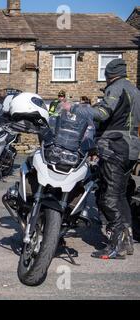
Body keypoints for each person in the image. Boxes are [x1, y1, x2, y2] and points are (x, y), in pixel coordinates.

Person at [63, 58, 140, 259]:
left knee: (108, 197)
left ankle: (116, 246)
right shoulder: (134, 90)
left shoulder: (116, 88)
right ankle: (127, 241)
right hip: (131, 147)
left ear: (109, 74)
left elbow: (103, 113)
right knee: (121, 196)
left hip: (115, 145)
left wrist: (75, 108)